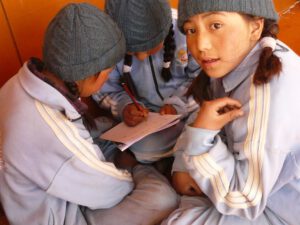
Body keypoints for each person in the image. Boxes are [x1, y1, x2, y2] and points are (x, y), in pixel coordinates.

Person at [0, 3, 178, 225]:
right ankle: (141, 166)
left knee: (103, 126)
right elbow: (111, 191)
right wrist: (135, 168)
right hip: (63, 213)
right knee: (162, 198)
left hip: (53, 177)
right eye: (109, 71)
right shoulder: (53, 132)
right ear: (94, 75)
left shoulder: (17, 83)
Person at [163, 0, 300, 224]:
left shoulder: (268, 91)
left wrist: (199, 141)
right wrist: (183, 162)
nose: (201, 45)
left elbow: (245, 200)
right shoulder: (234, 61)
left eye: (215, 25)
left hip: (280, 207)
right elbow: (206, 115)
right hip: (252, 186)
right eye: (191, 30)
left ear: (255, 27)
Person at [93, 0, 200, 163]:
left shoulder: (186, 29)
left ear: (165, 31)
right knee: (143, 149)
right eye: (131, 52)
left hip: (191, 111)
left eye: (149, 47)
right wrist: (124, 107)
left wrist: (179, 105)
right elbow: (103, 90)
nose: (142, 57)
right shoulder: (106, 43)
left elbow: (203, 80)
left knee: (204, 128)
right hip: (146, 122)